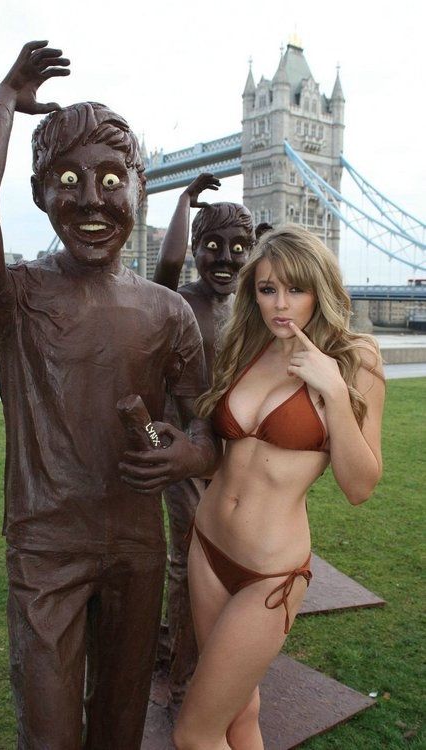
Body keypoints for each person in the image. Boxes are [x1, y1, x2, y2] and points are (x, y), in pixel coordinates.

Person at [0, 40, 220, 750]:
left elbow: (207, 428)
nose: (92, 200)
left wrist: (189, 458)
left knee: (119, 725)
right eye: (68, 180)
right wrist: (5, 99)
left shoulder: (168, 313)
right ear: (40, 193)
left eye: (111, 179)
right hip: (46, 548)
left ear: (138, 188)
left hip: (137, 544)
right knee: (48, 732)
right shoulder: (16, 299)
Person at [172, 224, 386, 750]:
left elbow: (359, 486)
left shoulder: (356, 360)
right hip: (207, 547)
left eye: (295, 288)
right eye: (267, 289)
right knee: (239, 713)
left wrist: (333, 390)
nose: (280, 304)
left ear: (320, 289)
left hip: (270, 575)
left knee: (194, 735)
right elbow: (225, 455)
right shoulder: (247, 343)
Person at [152, 174, 256, 715]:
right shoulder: (178, 303)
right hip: (183, 448)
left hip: (233, 452)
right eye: (212, 246)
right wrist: (183, 203)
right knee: (186, 560)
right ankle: (184, 677)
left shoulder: (248, 308)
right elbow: (166, 267)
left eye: (239, 248)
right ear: (195, 249)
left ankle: (209, 651)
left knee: (229, 556)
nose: (225, 259)